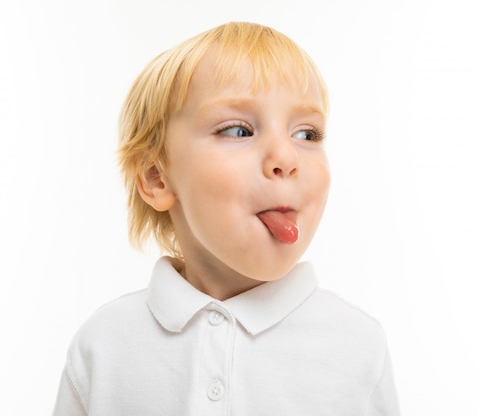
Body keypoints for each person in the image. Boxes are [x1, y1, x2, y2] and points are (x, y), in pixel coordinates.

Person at [52, 21, 400, 415]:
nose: (286, 158)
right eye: (238, 130)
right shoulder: (104, 345)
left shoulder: (356, 346)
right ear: (157, 177)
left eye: (307, 135)